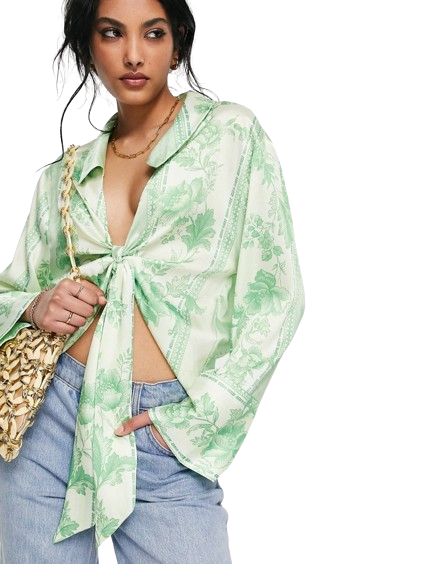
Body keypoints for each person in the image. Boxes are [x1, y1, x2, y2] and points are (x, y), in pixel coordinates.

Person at [0, 0, 305, 562]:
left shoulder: (231, 135)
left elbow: (276, 297)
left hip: (165, 428)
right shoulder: (63, 176)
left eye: (154, 33)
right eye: (112, 33)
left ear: (178, 42)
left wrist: (198, 417)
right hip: (51, 419)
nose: (134, 54)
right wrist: (36, 305)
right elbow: (9, 290)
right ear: (89, 47)